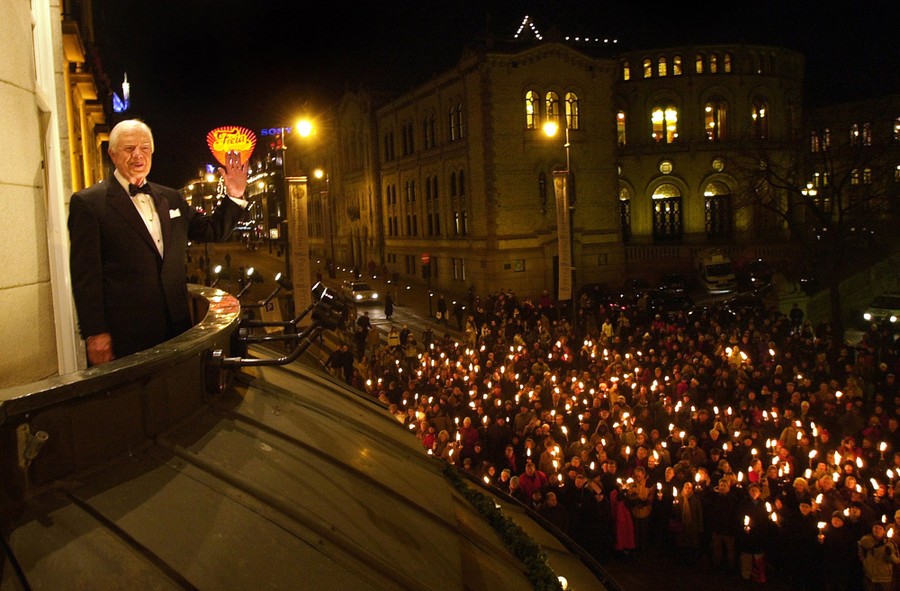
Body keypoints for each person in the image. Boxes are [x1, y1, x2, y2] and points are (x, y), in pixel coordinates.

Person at [68, 119, 248, 365]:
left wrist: (234, 196)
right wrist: (95, 333)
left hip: (176, 325)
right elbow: (85, 275)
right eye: (129, 148)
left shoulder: (171, 197)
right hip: (126, 332)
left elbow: (211, 231)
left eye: (144, 148)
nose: (138, 155)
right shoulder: (89, 203)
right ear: (112, 154)